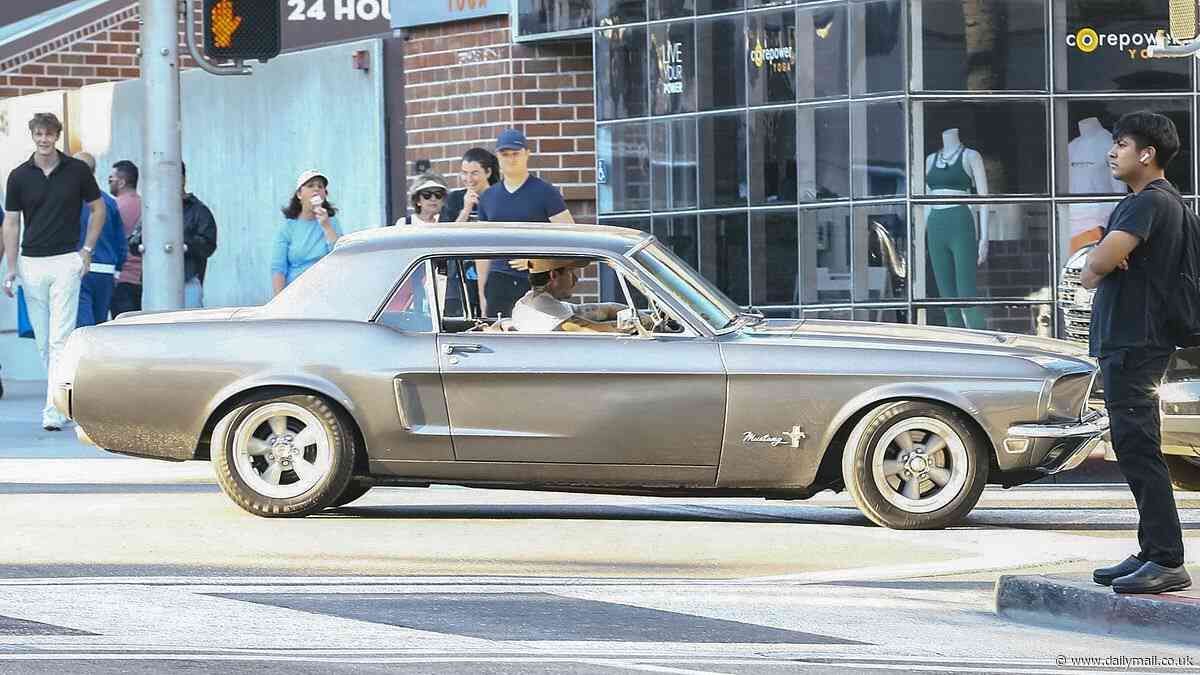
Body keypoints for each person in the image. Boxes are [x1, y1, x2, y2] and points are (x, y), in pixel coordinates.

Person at [1083, 111, 1190, 594]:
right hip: (1140, 340)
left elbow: (1095, 265)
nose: (1113, 152)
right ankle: (1151, 550)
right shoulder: (1170, 202)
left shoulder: (1144, 204)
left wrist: (1099, 257)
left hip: (1133, 341)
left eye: (1121, 144)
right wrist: (1105, 256)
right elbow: (1106, 260)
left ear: (1146, 154)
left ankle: (1166, 557)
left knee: (1138, 449)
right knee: (1137, 446)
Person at [1, 112, 105, 431]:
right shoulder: (18, 176)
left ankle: (52, 409)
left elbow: (98, 208)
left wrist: (86, 252)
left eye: (49, 134)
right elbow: (12, 221)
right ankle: (62, 399)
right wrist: (11, 268)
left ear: (57, 136)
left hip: (65, 262)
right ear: (32, 135)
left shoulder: (76, 171)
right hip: (31, 264)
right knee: (45, 342)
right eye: (39, 134)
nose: (44, 139)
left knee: (60, 339)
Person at [476, 129, 575, 318]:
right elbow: (481, 251)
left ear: (527, 154)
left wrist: (536, 261)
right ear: (497, 156)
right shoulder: (488, 197)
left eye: (516, 153)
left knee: (537, 341)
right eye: (505, 154)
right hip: (499, 283)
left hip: (538, 284)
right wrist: (482, 293)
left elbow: (571, 238)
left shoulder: (546, 193)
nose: (511, 159)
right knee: (500, 337)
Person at [510, 258, 645, 333]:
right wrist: (643, 323)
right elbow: (595, 331)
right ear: (554, 275)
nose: (576, 279)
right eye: (570, 272)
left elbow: (608, 308)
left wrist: (642, 316)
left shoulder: (538, 301)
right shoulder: (542, 309)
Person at [72, 152, 126, 327]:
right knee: (99, 324)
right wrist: (116, 271)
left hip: (78, 269)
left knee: (83, 327)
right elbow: (120, 242)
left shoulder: (68, 200)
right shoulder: (109, 202)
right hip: (105, 272)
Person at [271, 170, 342, 296]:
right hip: (295, 294)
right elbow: (278, 268)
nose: (316, 190)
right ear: (299, 194)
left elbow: (341, 256)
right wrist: (279, 303)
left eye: (320, 187)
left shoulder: (331, 223)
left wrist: (326, 226)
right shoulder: (287, 228)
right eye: (310, 186)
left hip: (326, 292)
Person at [180, 163, 217, 308]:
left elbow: (208, 246)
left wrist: (185, 243)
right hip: (155, 283)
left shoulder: (198, 210)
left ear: (181, 179)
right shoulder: (152, 211)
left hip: (188, 280)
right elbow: (134, 240)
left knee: (189, 327)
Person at [109, 160, 142, 317]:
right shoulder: (147, 206)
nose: (109, 183)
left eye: (111, 179)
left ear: (121, 182)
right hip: (143, 278)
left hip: (121, 278)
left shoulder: (114, 208)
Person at [441, 147, 500, 224]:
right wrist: (465, 211)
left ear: (488, 172)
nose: (469, 179)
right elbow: (444, 234)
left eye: (474, 173)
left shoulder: (500, 198)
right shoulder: (454, 199)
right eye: (465, 173)